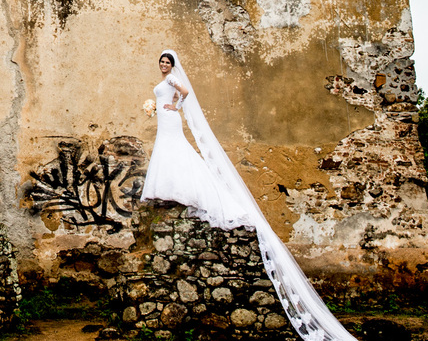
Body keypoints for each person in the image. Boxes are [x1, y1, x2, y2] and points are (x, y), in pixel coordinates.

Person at [142, 50, 359, 341]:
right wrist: (159, 107)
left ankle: (180, 189)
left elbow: (186, 91)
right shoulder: (165, 79)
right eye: (162, 62)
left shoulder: (174, 79)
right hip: (164, 119)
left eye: (167, 62)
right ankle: (167, 189)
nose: (164, 65)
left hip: (171, 118)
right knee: (169, 150)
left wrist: (173, 105)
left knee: (176, 150)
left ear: (172, 64)